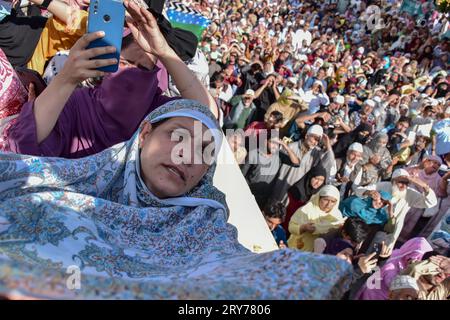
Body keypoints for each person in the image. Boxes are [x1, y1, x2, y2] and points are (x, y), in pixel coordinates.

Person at [0, 98, 355, 299]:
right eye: (178, 136)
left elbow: (242, 277)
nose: (188, 156)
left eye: (204, 151)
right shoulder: (56, 182)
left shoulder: (204, 226)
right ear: (144, 134)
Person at [4, 2, 217, 158]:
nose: (132, 73)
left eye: (143, 68)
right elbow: (24, 147)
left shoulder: (158, 113)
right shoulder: (78, 104)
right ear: (109, 63)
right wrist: (66, 79)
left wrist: (163, 50)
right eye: (125, 63)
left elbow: (207, 115)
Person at [355, 169, 438, 256]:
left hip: (390, 229)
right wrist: (368, 192)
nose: (403, 185)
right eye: (401, 182)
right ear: (393, 181)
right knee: (360, 245)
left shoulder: (410, 194)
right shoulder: (383, 186)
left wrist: (425, 186)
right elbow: (359, 190)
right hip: (372, 222)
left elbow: (431, 203)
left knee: (377, 252)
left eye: (406, 183)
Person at [270, 124, 335, 205]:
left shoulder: (316, 154)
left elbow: (329, 161)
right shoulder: (291, 147)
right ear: (307, 135)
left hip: (296, 193)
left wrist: (328, 145)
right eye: (314, 138)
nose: (315, 142)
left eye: (318, 141)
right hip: (281, 186)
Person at [356, 237, 433, 300]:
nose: (415, 259)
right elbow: (387, 281)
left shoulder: (400, 258)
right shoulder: (393, 264)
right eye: (414, 255)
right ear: (409, 249)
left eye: (419, 258)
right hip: (374, 294)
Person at [288, 185, 345, 252]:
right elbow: (291, 227)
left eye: (333, 201)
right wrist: (303, 228)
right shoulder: (306, 210)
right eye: (326, 200)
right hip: (297, 249)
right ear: (319, 198)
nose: (328, 204)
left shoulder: (337, 216)